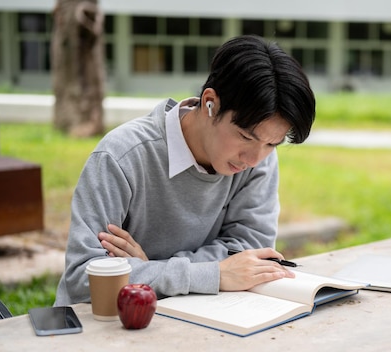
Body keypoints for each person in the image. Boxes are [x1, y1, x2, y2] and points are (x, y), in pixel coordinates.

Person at [54, 35, 316, 305]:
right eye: (246, 137)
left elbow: (251, 257)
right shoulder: (121, 156)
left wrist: (150, 269)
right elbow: (84, 279)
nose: (254, 158)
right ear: (210, 103)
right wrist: (208, 274)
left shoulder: (257, 158)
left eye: (273, 144)